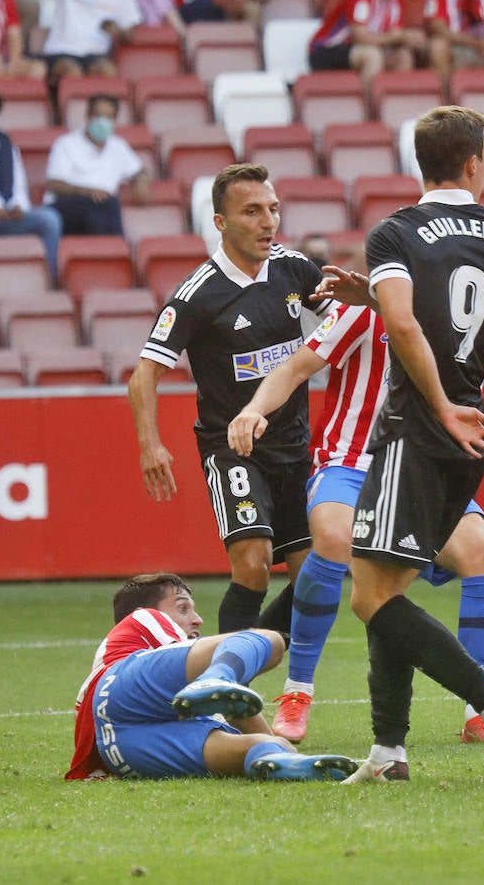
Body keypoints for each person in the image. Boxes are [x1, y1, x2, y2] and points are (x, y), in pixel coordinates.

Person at [324, 105, 484, 784]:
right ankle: (389, 752)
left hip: (420, 425)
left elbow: (408, 327)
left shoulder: (396, 230)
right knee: (387, 582)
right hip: (469, 429)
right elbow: (447, 312)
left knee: (370, 596)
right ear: (475, 162)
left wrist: (438, 404)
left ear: (422, 163)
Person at [227, 299, 484, 750]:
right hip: (350, 463)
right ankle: (297, 691)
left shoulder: (455, 325)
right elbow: (294, 369)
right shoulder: (361, 310)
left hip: (422, 469)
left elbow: (467, 415)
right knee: (335, 536)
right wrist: (254, 409)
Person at [128, 163, 330, 634]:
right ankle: (227, 673)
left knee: (315, 578)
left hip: (295, 446)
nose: (268, 221)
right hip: (233, 449)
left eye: (273, 209)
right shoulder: (197, 295)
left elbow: (348, 325)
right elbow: (143, 376)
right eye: (253, 211)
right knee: (255, 564)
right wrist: (150, 445)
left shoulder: (295, 269)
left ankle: (236, 665)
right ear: (220, 222)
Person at [67, 572, 360, 782]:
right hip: (122, 694)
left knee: (263, 748)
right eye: (182, 608)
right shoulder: (143, 619)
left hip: (120, 754)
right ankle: (218, 675)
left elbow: (235, 709)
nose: (197, 619)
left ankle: (283, 761)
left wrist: (278, 745)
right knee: (267, 641)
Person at [0, 88, 62, 283]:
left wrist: (18, 207)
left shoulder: (6, 146)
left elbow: (18, 187)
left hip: (4, 213)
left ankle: (50, 279)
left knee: (49, 219)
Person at [44, 94, 150, 236]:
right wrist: (89, 193)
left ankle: (110, 254)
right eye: (97, 115)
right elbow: (54, 184)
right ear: (87, 115)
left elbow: (138, 171)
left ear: (115, 120)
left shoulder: (118, 146)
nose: (102, 121)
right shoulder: (66, 144)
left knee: (99, 215)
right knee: (108, 205)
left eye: (108, 117)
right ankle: (117, 249)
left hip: (101, 208)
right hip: (66, 206)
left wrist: (141, 183)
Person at [309, 0, 424, 88]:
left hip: (360, 49)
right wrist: (400, 37)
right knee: (372, 55)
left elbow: (395, 32)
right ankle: (367, 103)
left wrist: (410, 37)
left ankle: (396, 101)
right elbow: (360, 37)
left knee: (403, 55)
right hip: (325, 50)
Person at [41, 0, 142, 83]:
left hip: (97, 53)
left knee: (108, 72)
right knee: (71, 73)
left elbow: (129, 33)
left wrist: (117, 31)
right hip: (61, 50)